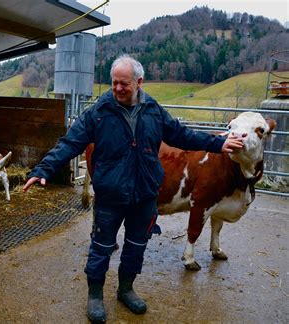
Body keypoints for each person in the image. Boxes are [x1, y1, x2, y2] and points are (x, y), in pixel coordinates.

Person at [22, 54, 243, 322]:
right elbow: (70, 143)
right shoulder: (99, 113)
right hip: (111, 195)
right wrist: (43, 169)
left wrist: (217, 144)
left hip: (144, 195)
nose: (117, 89)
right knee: (102, 247)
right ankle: (95, 294)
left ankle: (126, 289)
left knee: (136, 245)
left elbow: (181, 134)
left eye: (124, 84)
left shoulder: (153, 110)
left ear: (139, 82)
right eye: (114, 83)